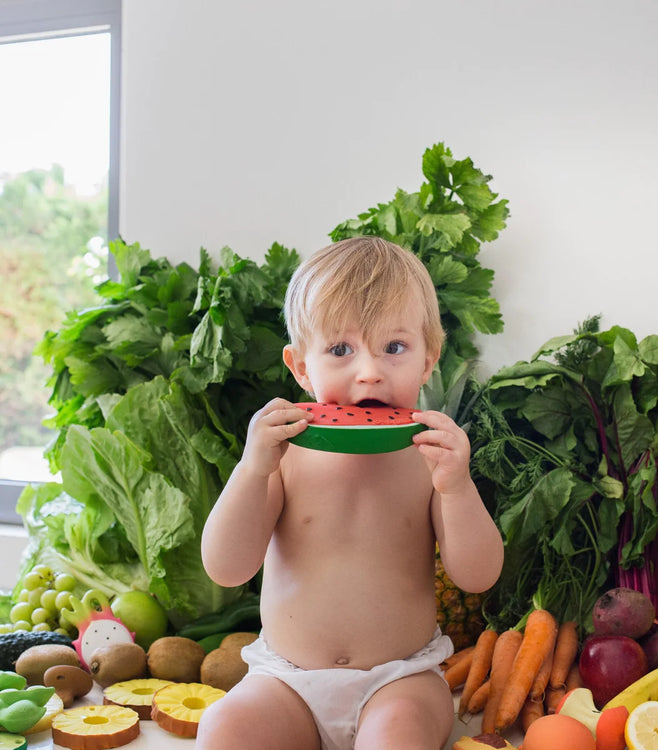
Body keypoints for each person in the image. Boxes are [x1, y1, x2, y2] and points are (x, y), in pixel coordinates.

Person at [198, 236, 504, 750]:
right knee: (222, 730)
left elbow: (478, 576)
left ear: (429, 360)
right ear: (299, 367)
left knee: (399, 735)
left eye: (394, 347)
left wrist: (457, 486)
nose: (369, 371)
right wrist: (252, 470)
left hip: (400, 679)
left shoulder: (430, 460)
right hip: (286, 680)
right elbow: (226, 568)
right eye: (340, 350)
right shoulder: (284, 456)